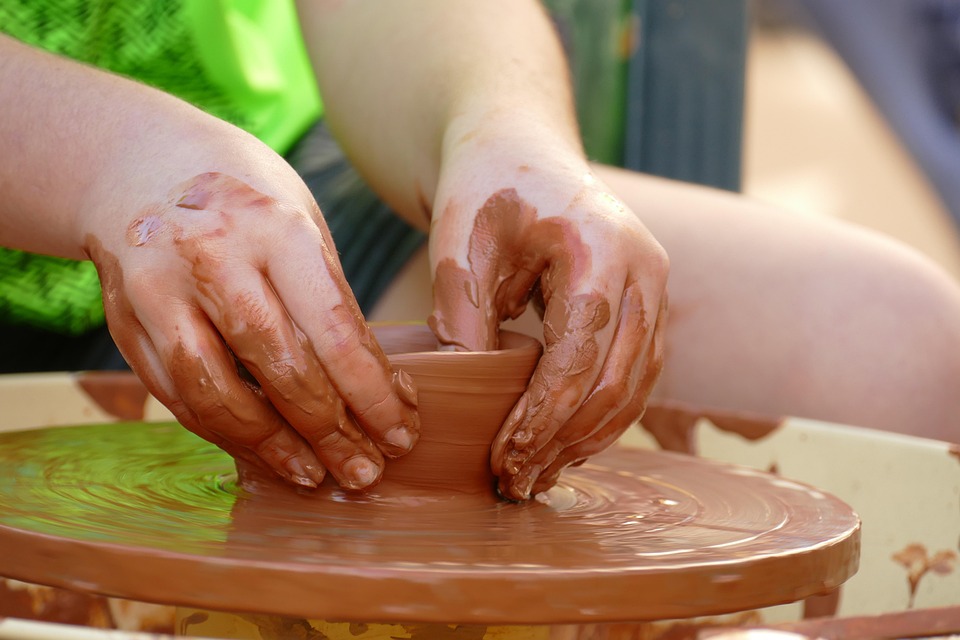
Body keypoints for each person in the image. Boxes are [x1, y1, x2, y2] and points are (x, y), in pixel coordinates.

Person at [1, 1, 958, 503]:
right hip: (106, 169)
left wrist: (502, 132)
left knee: (889, 348)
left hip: (242, 182)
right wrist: (109, 162)